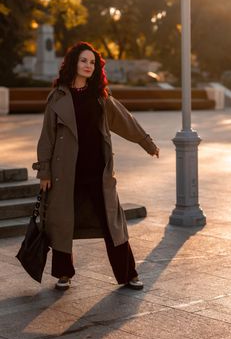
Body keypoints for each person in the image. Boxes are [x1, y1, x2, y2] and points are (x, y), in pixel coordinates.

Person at [32, 41, 159, 291]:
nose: (88, 65)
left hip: (98, 172)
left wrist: (146, 142)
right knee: (62, 221)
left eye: (92, 62)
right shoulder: (57, 96)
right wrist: (44, 171)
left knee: (113, 222)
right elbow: (46, 136)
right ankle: (63, 274)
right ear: (73, 64)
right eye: (83, 61)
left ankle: (128, 274)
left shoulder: (100, 96)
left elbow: (124, 120)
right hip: (66, 173)